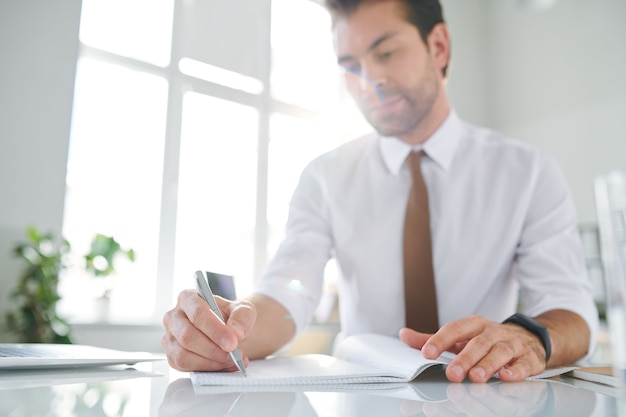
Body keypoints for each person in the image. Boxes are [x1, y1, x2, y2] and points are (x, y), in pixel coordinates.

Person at [162, 0, 599, 383]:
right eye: (350, 65)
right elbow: (286, 294)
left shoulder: (528, 173)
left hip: (485, 395)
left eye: (386, 52)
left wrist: (528, 336)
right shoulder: (325, 177)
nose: (368, 80)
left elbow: (571, 310)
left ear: (439, 47)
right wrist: (229, 333)